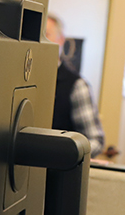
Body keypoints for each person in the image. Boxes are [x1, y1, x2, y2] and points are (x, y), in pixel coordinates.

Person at [45, 14, 106, 158]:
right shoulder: (19, 78)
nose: (40, 41)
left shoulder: (76, 85)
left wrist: (64, 154)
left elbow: (95, 141)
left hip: (56, 172)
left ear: (60, 40)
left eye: (46, 34)